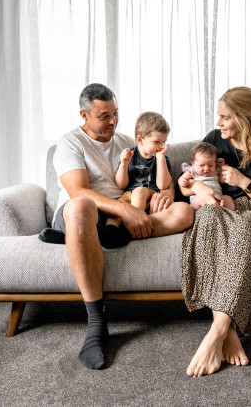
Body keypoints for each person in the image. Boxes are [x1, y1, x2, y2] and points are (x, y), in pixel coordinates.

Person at [39, 83, 194, 370]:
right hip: (82, 212)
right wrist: (125, 209)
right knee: (82, 207)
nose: (113, 121)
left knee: (184, 213)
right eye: (104, 116)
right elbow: (78, 191)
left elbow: (157, 178)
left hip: (121, 216)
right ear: (84, 115)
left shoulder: (127, 141)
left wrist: (166, 194)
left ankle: (87, 238)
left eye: (116, 113)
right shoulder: (70, 143)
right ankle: (97, 321)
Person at [178, 86, 251, 377]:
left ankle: (217, 331)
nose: (218, 122)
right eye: (219, 116)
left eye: (225, 117)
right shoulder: (214, 139)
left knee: (243, 230)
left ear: (244, 119)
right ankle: (229, 330)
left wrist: (244, 181)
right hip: (217, 207)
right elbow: (188, 181)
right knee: (208, 219)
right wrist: (197, 186)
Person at [114, 111, 172, 213]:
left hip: (152, 195)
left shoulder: (162, 158)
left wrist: (161, 158)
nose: (162, 146)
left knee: (139, 191)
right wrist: (124, 164)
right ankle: (118, 224)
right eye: (157, 142)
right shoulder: (130, 155)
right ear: (140, 140)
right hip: (129, 195)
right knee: (116, 208)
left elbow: (163, 185)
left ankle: (137, 219)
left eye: (164, 142)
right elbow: (121, 185)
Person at [178, 142, 236, 212]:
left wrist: (221, 166)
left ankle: (231, 213)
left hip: (217, 198)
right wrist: (183, 181)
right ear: (193, 163)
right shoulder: (192, 171)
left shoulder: (215, 171)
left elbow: (222, 180)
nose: (206, 169)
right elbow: (181, 179)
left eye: (210, 165)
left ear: (215, 163)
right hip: (199, 199)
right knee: (196, 201)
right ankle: (217, 210)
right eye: (202, 165)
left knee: (228, 198)